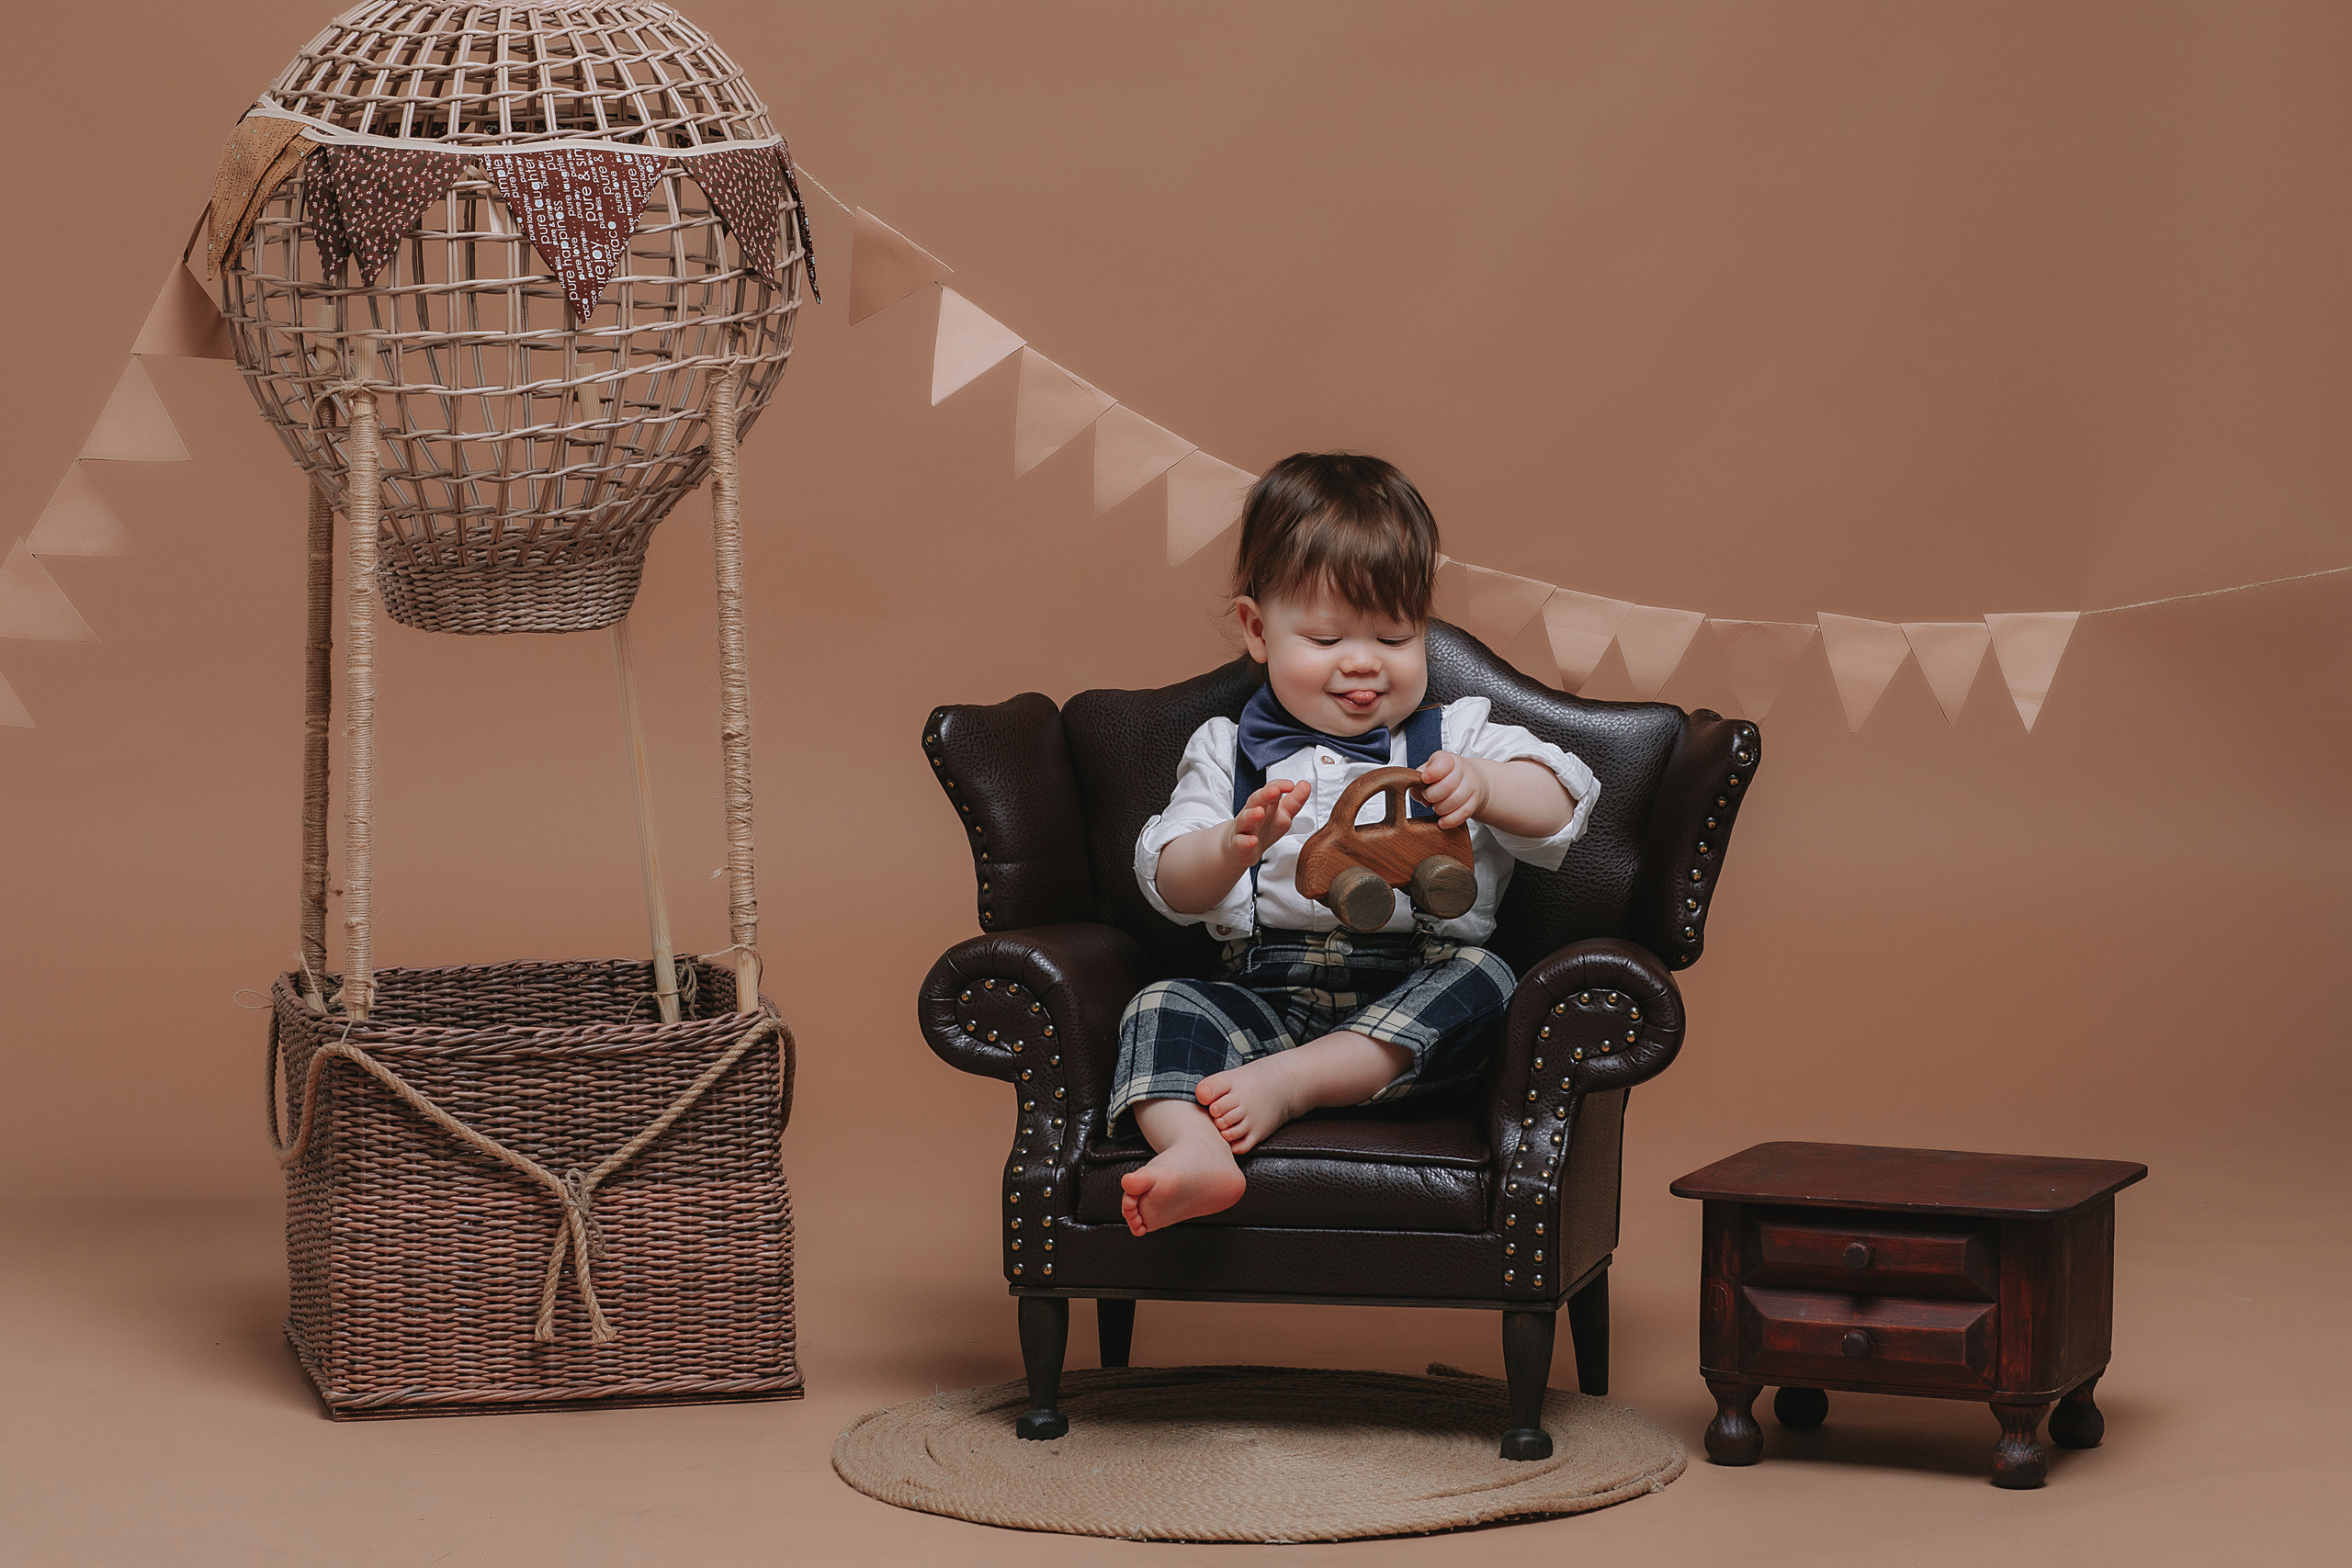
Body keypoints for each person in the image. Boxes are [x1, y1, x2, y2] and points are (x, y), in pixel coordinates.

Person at [1113, 452, 1600, 1235]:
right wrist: (1234, 846)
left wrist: (1485, 782)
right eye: (1326, 635)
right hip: (1268, 997)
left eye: (1394, 634)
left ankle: (1296, 1084)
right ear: (1256, 629)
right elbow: (1172, 880)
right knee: (1158, 1005)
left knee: (1487, 978)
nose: (1364, 661)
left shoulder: (1456, 731)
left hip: (1411, 997)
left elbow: (1563, 801)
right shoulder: (1228, 748)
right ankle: (1196, 1149)